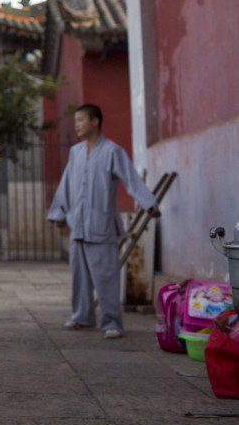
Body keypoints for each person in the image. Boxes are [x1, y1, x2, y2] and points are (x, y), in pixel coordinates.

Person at [47, 104, 159, 339]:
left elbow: (130, 178)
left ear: (95, 121)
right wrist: (59, 213)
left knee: (106, 277)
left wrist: (148, 202)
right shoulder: (75, 153)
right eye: (75, 120)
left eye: (81, 120)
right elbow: (67, 184)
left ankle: (112, 322)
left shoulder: (112, 151)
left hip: (101, 225)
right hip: (77, 224)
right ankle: (81, 316)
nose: (76, 124)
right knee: (79, 275)